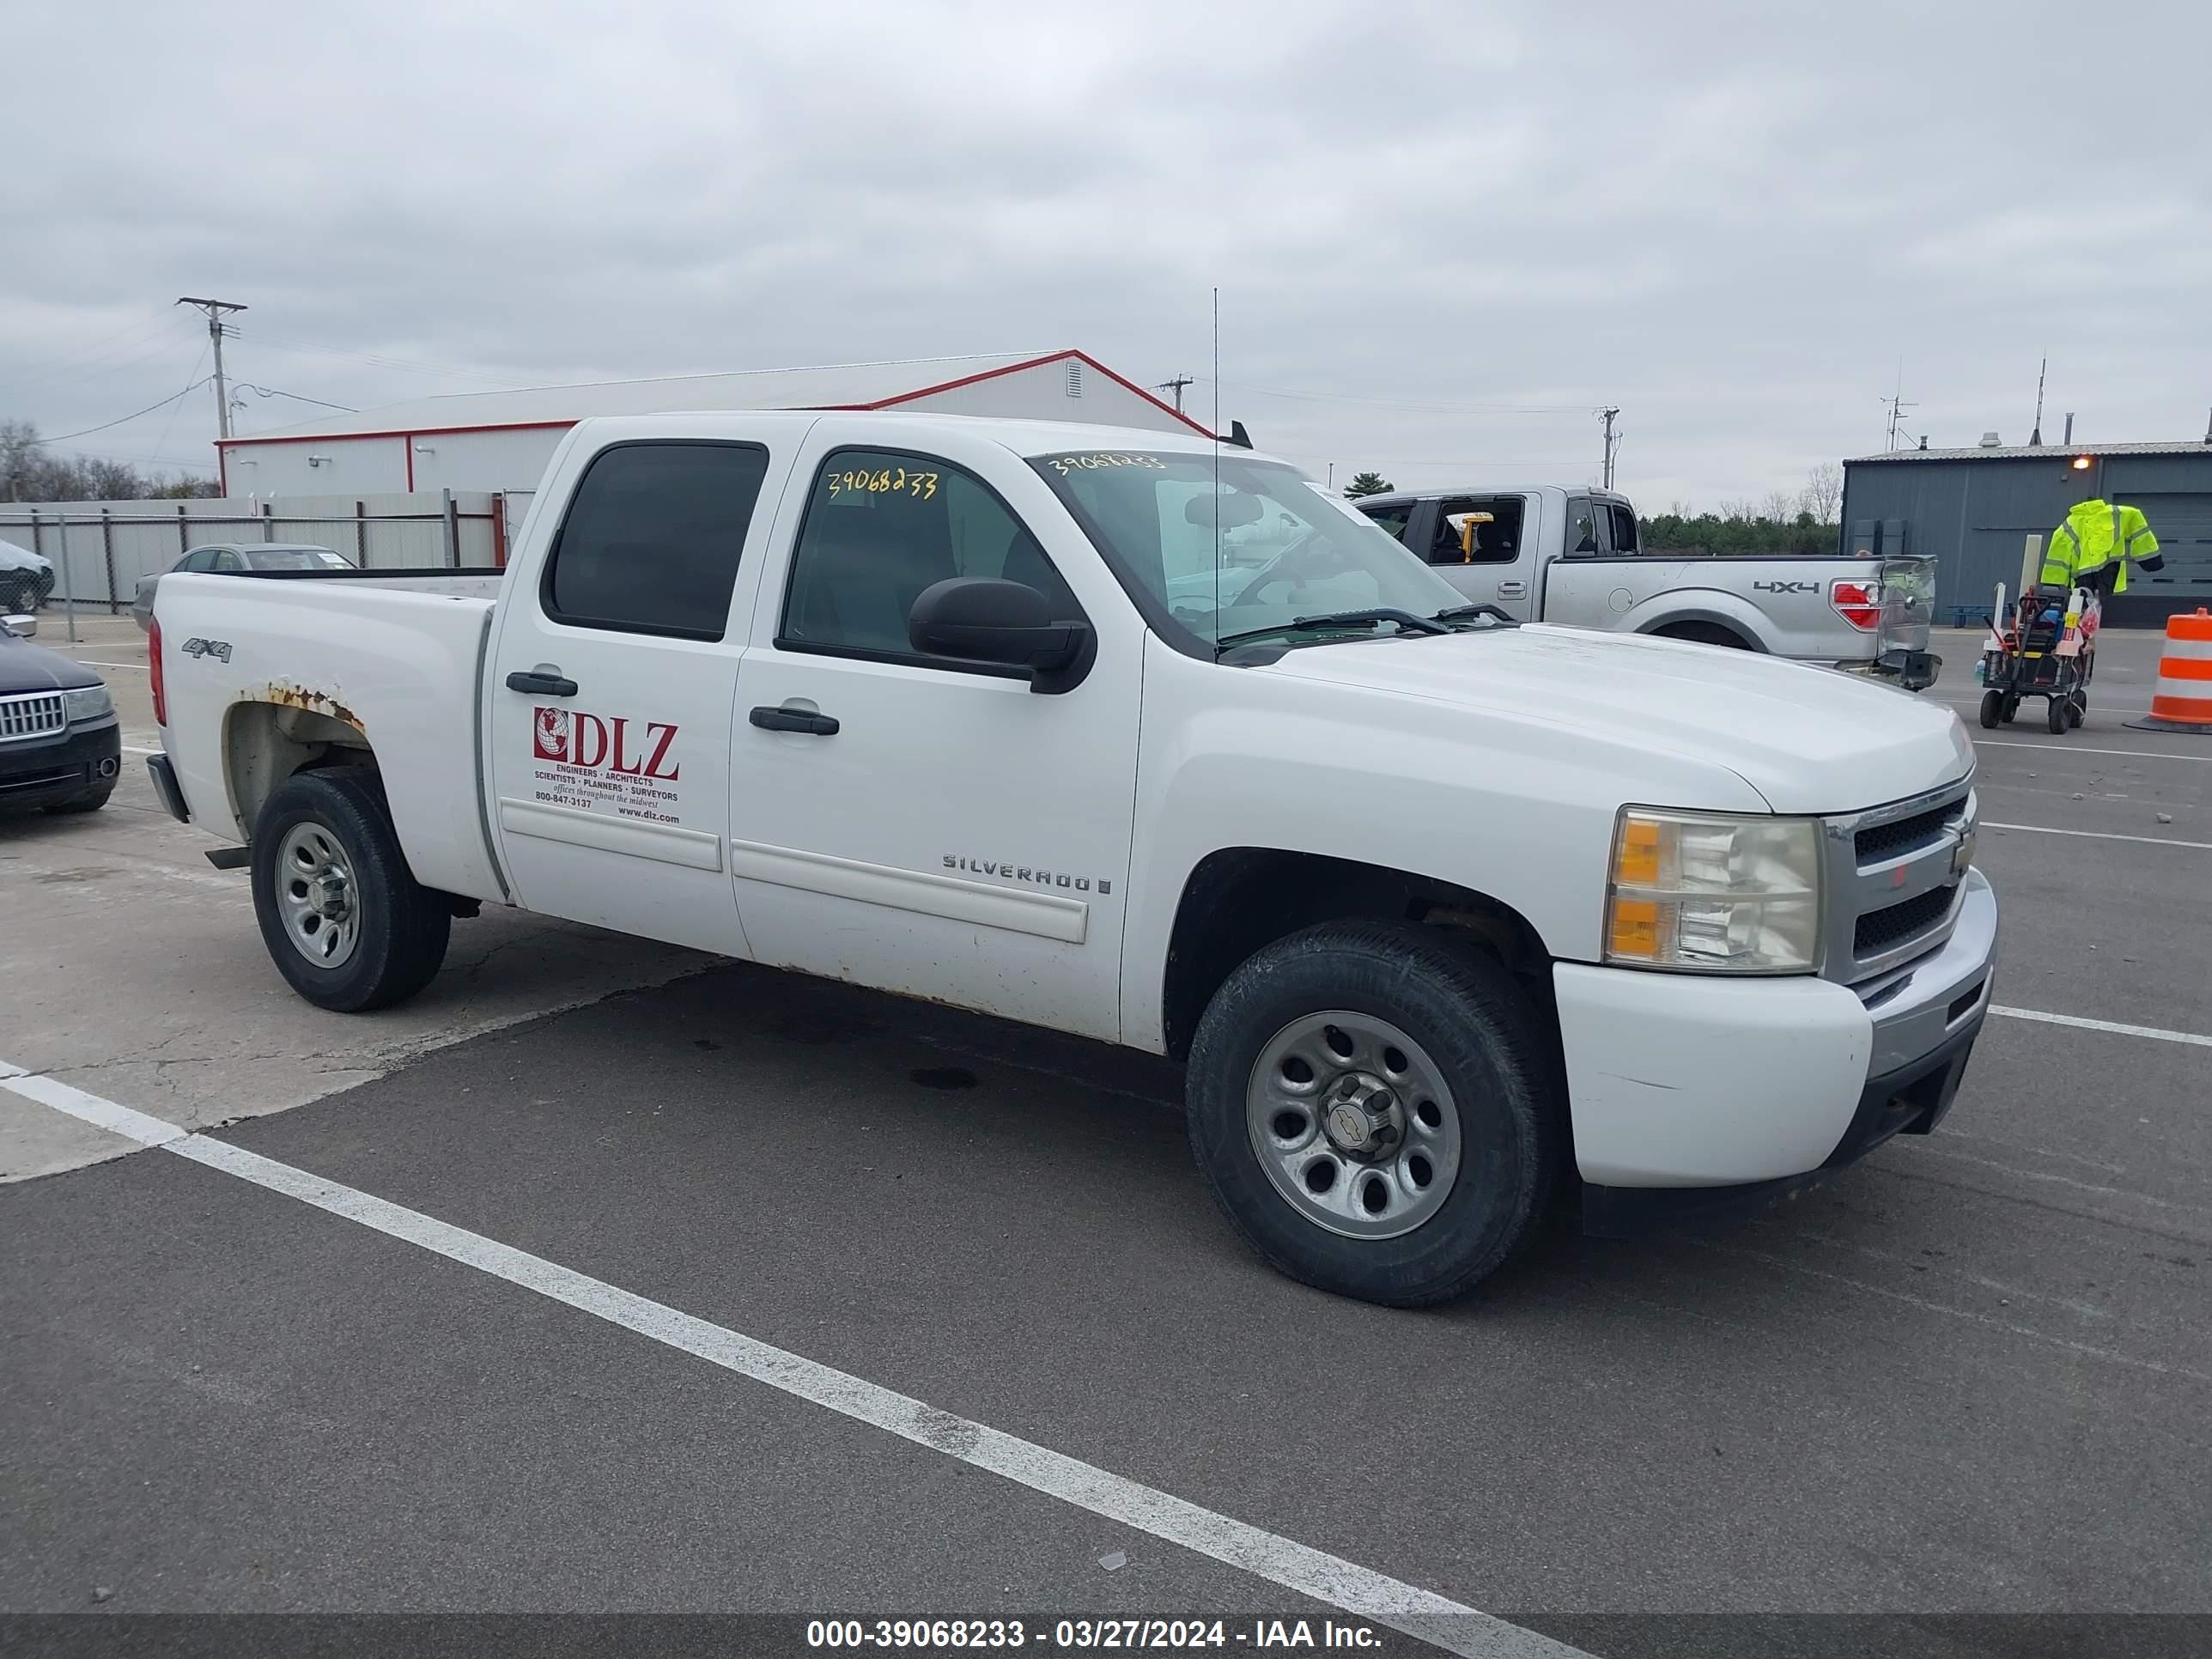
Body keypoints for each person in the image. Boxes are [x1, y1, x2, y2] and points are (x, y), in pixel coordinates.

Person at [2040, 491, 2164, 599]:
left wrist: (2052, 592)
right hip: (2103, 576)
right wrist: (2150, 560)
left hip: (2090, 579)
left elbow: (2057, 562)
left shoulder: (2068, 526)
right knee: (2094, 617)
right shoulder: (2119, 514)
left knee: (2085, 617)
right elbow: (2056, 561)